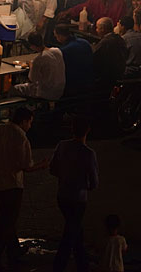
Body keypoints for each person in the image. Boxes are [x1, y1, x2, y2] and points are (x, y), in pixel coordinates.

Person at [0, 107, 49, 272]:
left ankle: (14, 250)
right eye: (29, 122)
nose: (30, 126)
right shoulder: (21, 137)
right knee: (4, 224)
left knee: (7, 219)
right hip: (11, 186)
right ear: (23, 121)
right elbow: (26, 167)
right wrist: (42, 165)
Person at [50, 116, 99, 272]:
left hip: (62, 195)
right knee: (70, 233)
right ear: (88, 131)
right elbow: (94, 181)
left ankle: (81, 262)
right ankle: (60, 265)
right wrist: (85, 185)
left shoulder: (62, 146)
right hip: (78, 198)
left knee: (75, 228)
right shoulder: (88, 153)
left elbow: (52, 169)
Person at [12, 33, 65, 100]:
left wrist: (31, 65)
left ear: (32, 46)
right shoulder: (57, 51)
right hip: (60, 90)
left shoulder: (39, 59)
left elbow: (32, 79)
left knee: (14, 89)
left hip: (46, 93)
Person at [54, 25, 94, 96]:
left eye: (56, 36)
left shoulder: (64, 51)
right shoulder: (85, 43)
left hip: (72, 85)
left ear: (59, 36)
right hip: (89, 81)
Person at [93, 17, 128, 88]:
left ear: (103, 29)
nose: (96, 30)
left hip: (106, 79)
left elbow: (94, 58)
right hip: (120, 75)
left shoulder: (105, 42)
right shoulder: (120, 39)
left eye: (97, 28)